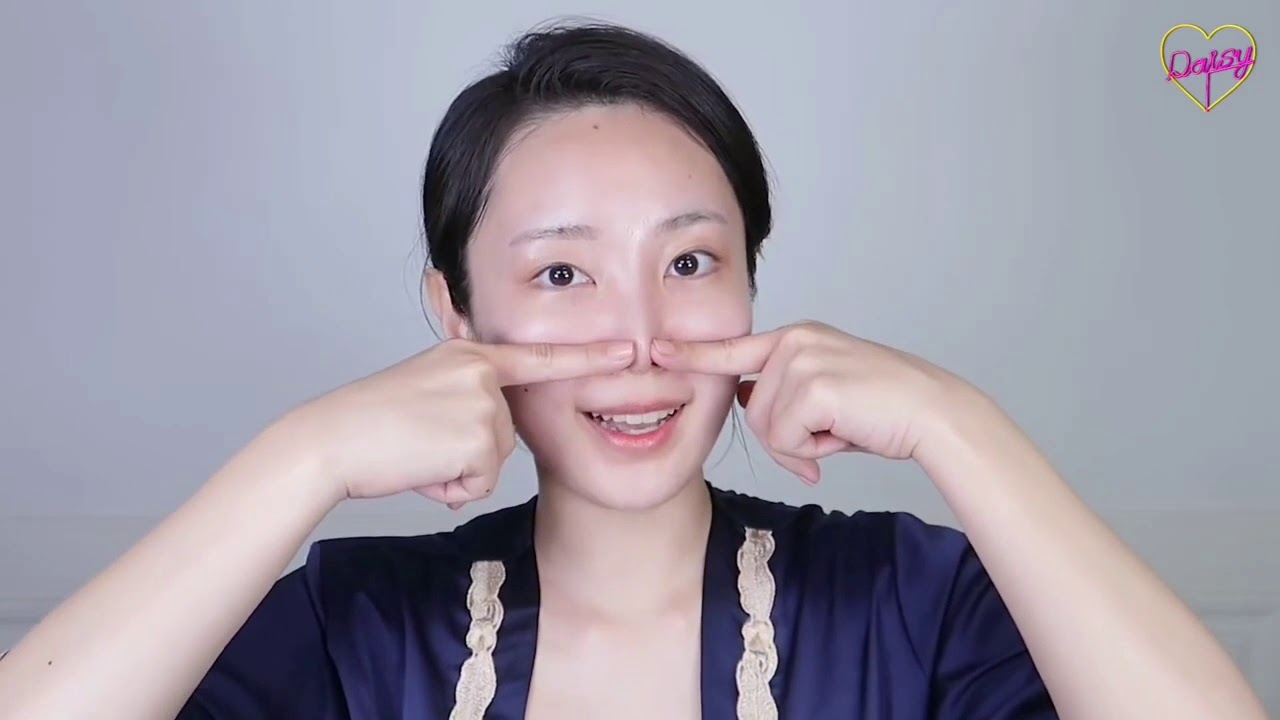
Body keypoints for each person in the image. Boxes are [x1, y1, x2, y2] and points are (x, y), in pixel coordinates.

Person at [0, 20, 1266, 720]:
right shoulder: (354, 632)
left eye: (690, 261)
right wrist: (302, 455)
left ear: (752, 284)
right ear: (455, 312)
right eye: (562, 273)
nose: (641, 337)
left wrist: (962, 426)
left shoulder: (910, 607)